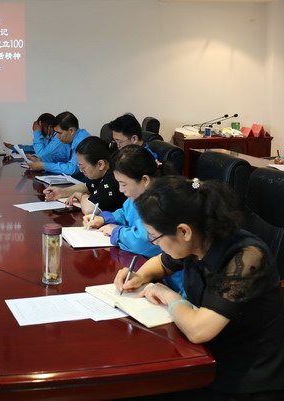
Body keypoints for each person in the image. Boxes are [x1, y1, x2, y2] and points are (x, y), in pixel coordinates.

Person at [116, 175, 284, 400]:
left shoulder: (246, 257)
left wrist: (169, 296)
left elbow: (198, 330)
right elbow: (162, 263)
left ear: (184, 231)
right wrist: (139, 276)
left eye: (155, 237)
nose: (153, 243)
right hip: (204, 357)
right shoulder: (198, 239)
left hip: (244, 378)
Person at [87, 145, 184, 295]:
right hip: (157, 272)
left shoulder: (162, 200)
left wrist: (117, 232)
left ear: (145, 179)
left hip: (174, 283)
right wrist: (105, 218)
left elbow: (143, 241)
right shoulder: (139, 194)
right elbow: (126, 212)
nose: (120, 190)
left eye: (124, 184)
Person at [43, 136, 126, 215]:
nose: (81, 171)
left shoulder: (113, 177)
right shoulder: (102, 173)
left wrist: (82, 196)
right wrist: (61, 192)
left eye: (83, 167)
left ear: (100, 164)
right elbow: (86, 187)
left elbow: (89, 210)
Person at [27, 111, 90, 181]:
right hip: (74, 179)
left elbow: (71, 169)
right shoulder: (69, 139)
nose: (57, 136)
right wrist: (41, 160)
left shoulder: (82, 141)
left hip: (84, 182)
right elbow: (60, 157)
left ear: (71, 131)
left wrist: (44, 166)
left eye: (59, 133)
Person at [4, 113, 69, 161]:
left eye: (41, 129)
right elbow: (35, 148)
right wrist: (14, 147)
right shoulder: (49, 135)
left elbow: (41, 154)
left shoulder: (59, 137)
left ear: (49, 127)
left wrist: (37, 133)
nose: (40, 132)